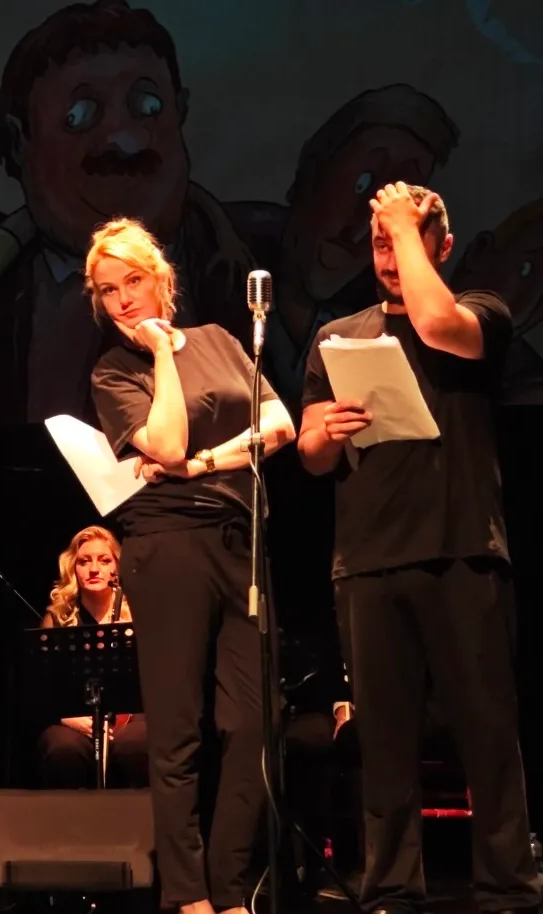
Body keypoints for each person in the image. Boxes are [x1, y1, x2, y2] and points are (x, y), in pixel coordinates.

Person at [297, 181, 541, 914]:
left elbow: (435, 325)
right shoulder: (337, 336)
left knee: (487, 731)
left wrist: (403, 221)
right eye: (377, 243)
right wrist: (325, 431)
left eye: (400, 240)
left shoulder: (479, 313)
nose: (386, 256)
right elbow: (310, 454)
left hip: (461, 547)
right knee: (384, 741)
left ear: (441, 244)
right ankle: (392, 888)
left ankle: (506, 885)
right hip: (368, 558)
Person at [87, 218, 297, 914]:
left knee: (253, 721)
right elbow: (167, 443)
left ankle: (231, 886)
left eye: (132, 281)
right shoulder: (114, 372)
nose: (122, 299)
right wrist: (160, 355)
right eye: (107, 290)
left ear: (161, 279)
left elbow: (281, 426)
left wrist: (206, 463)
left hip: (239, 538)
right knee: (178, 730)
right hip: (167, 545)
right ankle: (187, 895)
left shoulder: (219, 340)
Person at [36, 525, 148, 789]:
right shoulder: (57, 619)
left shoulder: (138, 613)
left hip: (131, 716)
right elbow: (41, 685)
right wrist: (65, 717)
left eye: (104, 560)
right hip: (74, 717)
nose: (94, 569)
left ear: (117, 567)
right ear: (73, 569)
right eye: (84, 561)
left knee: (135, 746)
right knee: (63, 750)